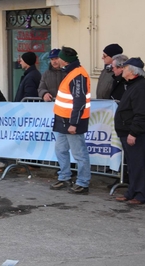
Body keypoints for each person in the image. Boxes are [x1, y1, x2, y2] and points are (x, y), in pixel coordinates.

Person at [114, 58, 145, 205]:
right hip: (128, 130)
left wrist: (134, 133)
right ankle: (132, 192)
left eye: (124, 68)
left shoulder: (141, 88)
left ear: (132, 71)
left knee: (139, 164)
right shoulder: (132, 85)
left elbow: (143, 114)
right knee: (132, 164)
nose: (122, 70)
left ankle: (140, 195)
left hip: (135, 132)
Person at [50, 46, 91, 194]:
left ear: (64, 60)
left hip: (71, 121)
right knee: (60, 150)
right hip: (63, 120)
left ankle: (83, 182)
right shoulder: (72, 73)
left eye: (58, 58)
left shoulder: (77, 75)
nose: (56, 60)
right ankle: (65, 177)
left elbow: (79, 101)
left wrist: (74, 123)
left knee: (79, 153)